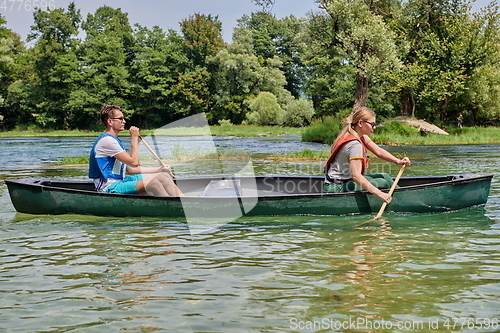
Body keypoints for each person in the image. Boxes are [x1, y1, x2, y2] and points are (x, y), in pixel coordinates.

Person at [89, 104, 184, 196]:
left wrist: (159, 169)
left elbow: (132, 169)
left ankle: (186, 203)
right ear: (110, 121)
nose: (124, 121)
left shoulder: (114, 141)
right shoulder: (107, 141)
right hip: (108, 187)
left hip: (121, 182)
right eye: (120, 119)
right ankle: (173, 208)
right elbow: (134, 162)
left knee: (164, 176)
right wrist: (134, 139)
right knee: (153, 183)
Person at [324, 107, 411, 204]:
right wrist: (380, 194)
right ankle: (402, 201)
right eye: (372, 124)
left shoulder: (361, 136)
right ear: (360, 123)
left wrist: (398, 161)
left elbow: (378, 151)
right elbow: (356, 176)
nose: (374, 127)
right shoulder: (354, 145)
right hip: (336, 187)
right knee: (383, 183)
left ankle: (403, 198)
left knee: (385, 176)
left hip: (346, 181)